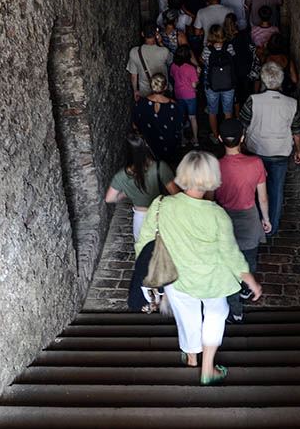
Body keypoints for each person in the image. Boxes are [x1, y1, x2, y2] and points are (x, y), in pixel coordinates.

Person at [135, 151, 263, 384]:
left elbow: (144, 241)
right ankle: (207, 368)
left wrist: (147, 273)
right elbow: (230, 254)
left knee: (187, 317)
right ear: (212, 178)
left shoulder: (162, 205)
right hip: (212, 280)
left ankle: (191, 358)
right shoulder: (217, 215)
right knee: (215, 315)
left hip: (178, 278)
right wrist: (249, 279)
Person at [239, 62, 300, 236]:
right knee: (276, 190)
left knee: (252, 189)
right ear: (281, 81)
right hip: (280, 153)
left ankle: (255, 224)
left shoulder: (253, 101)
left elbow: (242, 125)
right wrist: (298, 150)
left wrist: (240, 146)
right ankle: (271, 228)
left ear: (264, 80)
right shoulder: (292, 104)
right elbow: (297, 130)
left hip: (256, 151)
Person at [216, 120, 270, 323]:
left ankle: (235, 311)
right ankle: (247, 290)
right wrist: (266, 220)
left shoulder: (216, 166)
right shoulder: (255, 163)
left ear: (220, 139)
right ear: (242, 138)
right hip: (249, 220)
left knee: (229, 268)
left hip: (225, 220)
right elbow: (262, 198)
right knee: (250, 260)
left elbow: (212, 199)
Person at [105, 132, 178, 242]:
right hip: (160, 214)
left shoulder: (121, 176)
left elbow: (109, 198)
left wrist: (125, 193)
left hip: (140, 218)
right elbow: (176, 194)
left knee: (142, 250)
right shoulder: (160, 167)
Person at [132, 74, 183, 165]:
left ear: (151, 86)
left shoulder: (141, 103)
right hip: (168, 144)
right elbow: (178, 126)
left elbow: (135, 124)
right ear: (165, 87)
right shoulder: (173, 106)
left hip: (150, 144)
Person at [202, 25, 237, 142]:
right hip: (228, 84)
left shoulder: (207, 50)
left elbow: (203, 60)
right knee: (228, 111)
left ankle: (216, 136)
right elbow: (233, 58)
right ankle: (228, 136)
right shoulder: (229, 47)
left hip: (211, 85)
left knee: (212, 111)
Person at [127, 21, 172, 102]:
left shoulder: (134, 52)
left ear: (143, 34)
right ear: (156, 34)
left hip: (145, 93)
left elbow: (134, 75)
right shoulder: (164, 51)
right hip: (161, 91)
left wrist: (135, 91)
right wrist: (161, 43)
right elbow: (170, 61)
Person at [224, 13, 255, 115]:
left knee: (236, 93)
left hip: (234, 69)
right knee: (246, 90)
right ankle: (249, 112)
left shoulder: (226, 40)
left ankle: (238, 116)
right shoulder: (244, 35)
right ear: (236, 23)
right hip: (246, 66)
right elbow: (251, 48)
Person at [170, 45, 200, 146]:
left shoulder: (173, 66)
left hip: (179, 94)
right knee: (192, 117)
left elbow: (173, 77)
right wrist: (198, 74)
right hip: (190, 95)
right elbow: (194, 84)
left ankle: (182, 140)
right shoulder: (191, 68)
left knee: (181, 117)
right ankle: (195, 140)